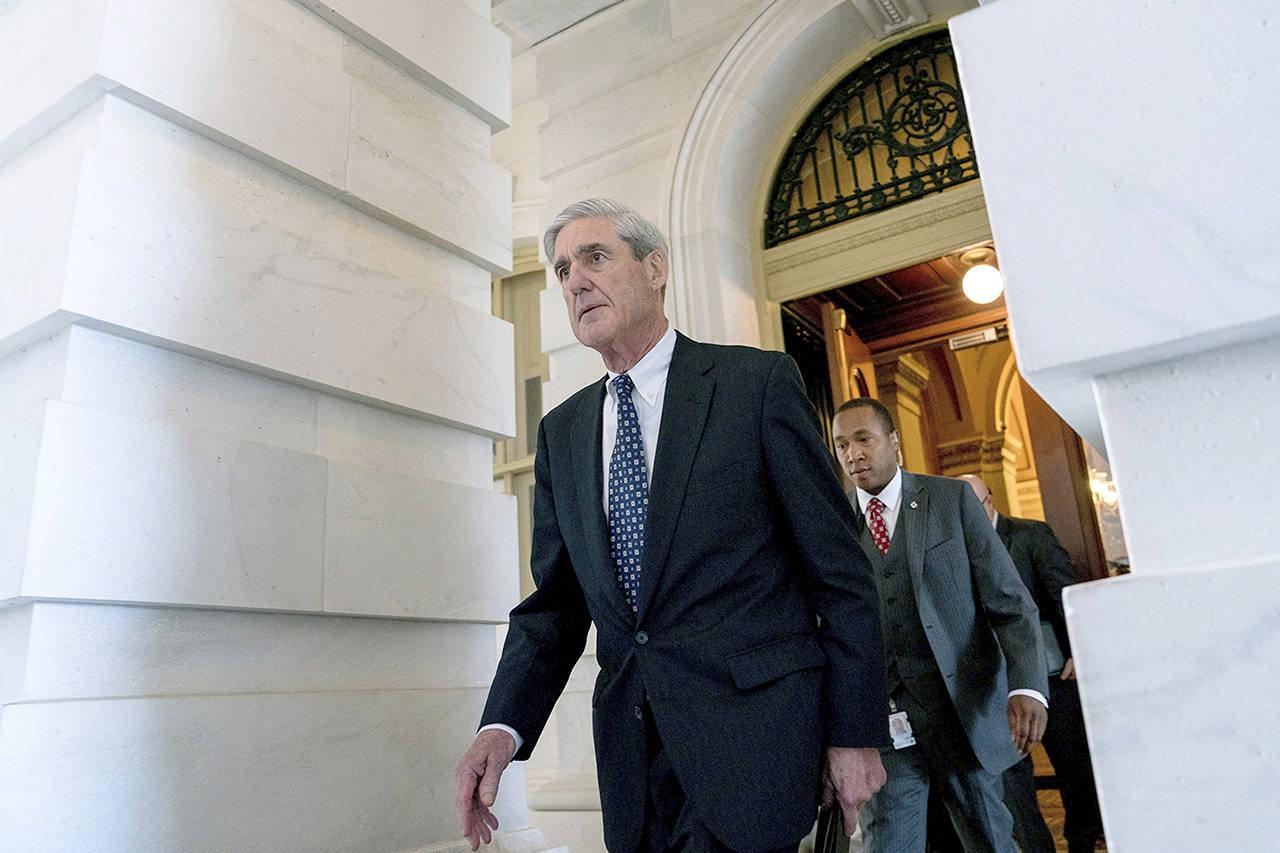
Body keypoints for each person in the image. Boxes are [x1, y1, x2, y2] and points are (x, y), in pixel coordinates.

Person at [454, 199, 890, 853]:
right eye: (563, 268)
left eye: (594, 257)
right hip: (635, 767)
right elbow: (556, 608)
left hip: (755, 746)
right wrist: (503, 726)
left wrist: (853, 732)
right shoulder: (562, 433)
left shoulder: (755, 385)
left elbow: (841, 574)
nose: (574, 279)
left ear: (655, 268)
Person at [830, 398, 1048, 853]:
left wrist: (1027, 687)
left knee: (990, 841)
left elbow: (1010, 603)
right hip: (886, 729)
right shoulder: (832, 526)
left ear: (894, 442)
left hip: (963, 716)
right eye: (842, 444)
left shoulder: (952, 501)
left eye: (863, 439)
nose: (853, 455)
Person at [957, 475, 1105, 853]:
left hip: (1052, 673)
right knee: (1013, 779)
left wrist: (1078, 648)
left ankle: (1083, 841)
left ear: (990, 501)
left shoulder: (1029, 535)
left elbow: (1062, 592)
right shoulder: (955, 548)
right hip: (995, 684)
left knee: (1074, 766)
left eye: (976, 504)